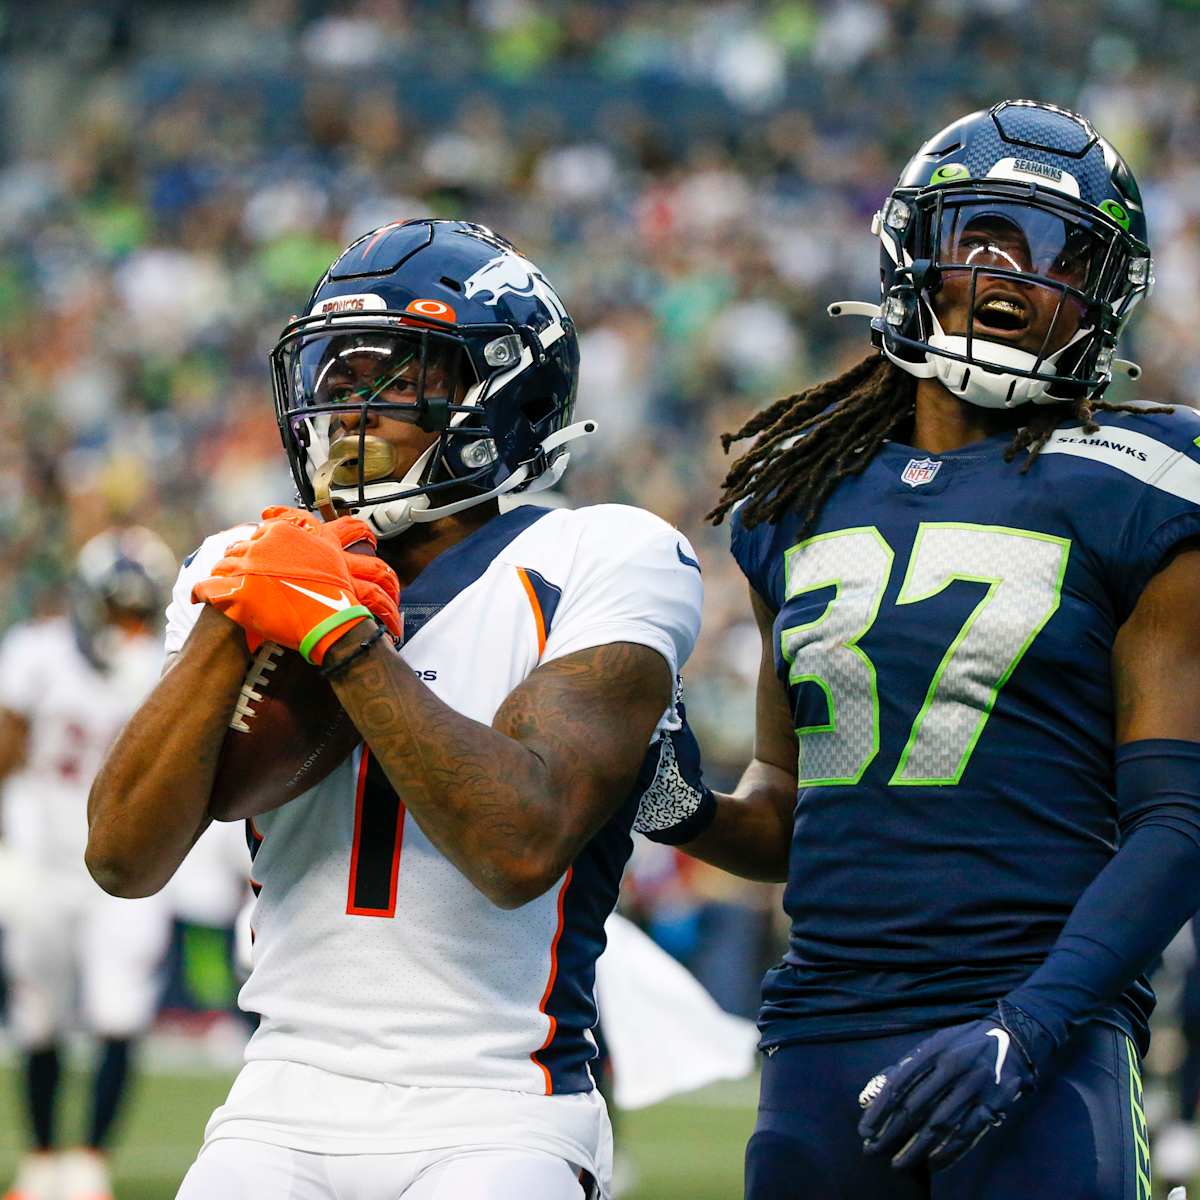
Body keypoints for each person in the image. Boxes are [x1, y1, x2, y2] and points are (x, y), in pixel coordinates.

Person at [635, 99, 1200, 1198]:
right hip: (820, 1035)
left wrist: (1027, 1027)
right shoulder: (800, 493)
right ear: (912, 252)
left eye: (1053, 253)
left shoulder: (1143, 485)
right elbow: (790, 810)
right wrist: (682, 811)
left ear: (1104, 293)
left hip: (1040, 1029)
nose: (1008, 274)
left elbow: (1179, 818)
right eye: (981, 235)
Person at [85, 219, 703, 1200]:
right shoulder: (236, 559)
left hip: (499, 1102)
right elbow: (122, 857)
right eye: (338, 375)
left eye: (398, 375)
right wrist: (235, 614)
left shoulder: (607, 553)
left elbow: (516, 846)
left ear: (502, 396)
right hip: (280, 1090)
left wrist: (342, 640)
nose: (351, 408)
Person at [0, 527, 177, 1200]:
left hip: (121, 870)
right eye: (116, 607)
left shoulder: (158, 669)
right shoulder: (35, 655)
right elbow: (6, 753)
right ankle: (42, 1158)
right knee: (37, 1013)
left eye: (138, 610)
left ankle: (89, 1164)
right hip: (44, 861)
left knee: (118, 1008)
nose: (126, 624)